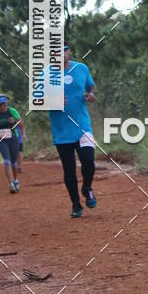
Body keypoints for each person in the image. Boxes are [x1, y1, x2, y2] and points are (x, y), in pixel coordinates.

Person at [48, 44, 98, 218]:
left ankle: (87, 187)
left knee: (89, 161)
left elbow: (91, 86)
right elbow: (37, 100)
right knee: (69, 169)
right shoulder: (46, 74)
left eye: (63, 50)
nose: (60, 54)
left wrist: (91, 94)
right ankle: (76, 205)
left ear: (68, 52)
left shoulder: (81, 68)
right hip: (61, 130)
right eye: (55, 52)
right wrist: (53, 100)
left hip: (83, 126)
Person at [0, 95, 25, 193]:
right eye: (1, 103)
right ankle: (11, 184)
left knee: (14, 163)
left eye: (4, 103)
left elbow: (22, 125)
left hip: (13, 138)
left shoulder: (12, 111)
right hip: (2, 139)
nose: (3, 105)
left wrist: (14, 121)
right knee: (7, 161)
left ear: (7, 103)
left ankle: (15, 181)